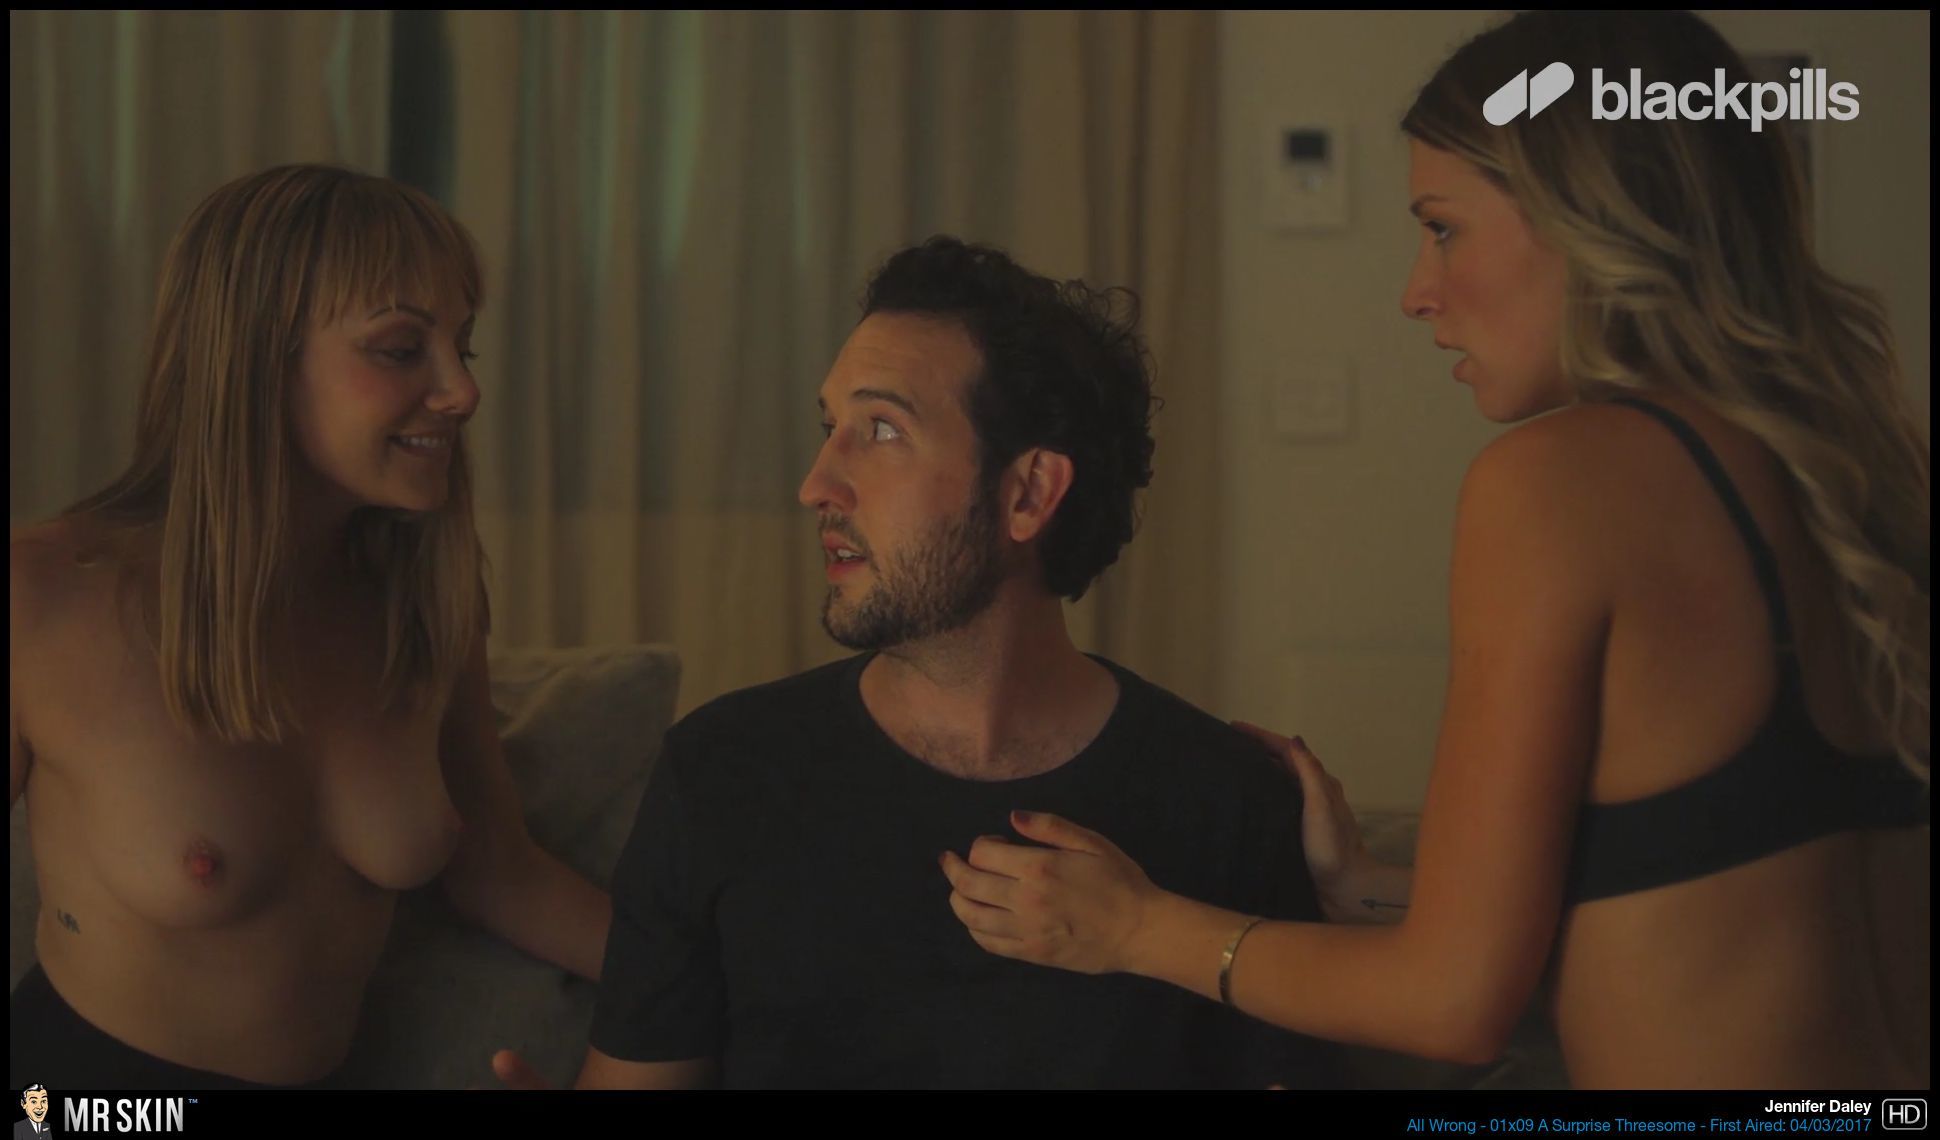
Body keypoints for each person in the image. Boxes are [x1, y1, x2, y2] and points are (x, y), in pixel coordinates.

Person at [942, 9, 1930, 1088]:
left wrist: (1134, 926)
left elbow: (1452, 1004)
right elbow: (1714, 898)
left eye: (1443, 228)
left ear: (1587, 215)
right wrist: (1367, 885)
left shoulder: (1559, 482)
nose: (1417, 291)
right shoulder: (1863, 473)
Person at [497, 236, 1338, 1089]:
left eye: (882, 430)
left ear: (1028, 493)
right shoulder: (720, 772)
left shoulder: (1226, 801)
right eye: (829, 428)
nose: (817, 484)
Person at [9, 164, 611, 1091]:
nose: (461, 391)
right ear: (254, 362)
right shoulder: (40, 595)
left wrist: (743, 982)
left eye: (463, 348)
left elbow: (500, 874)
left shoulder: (424, 603)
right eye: (401, 348)